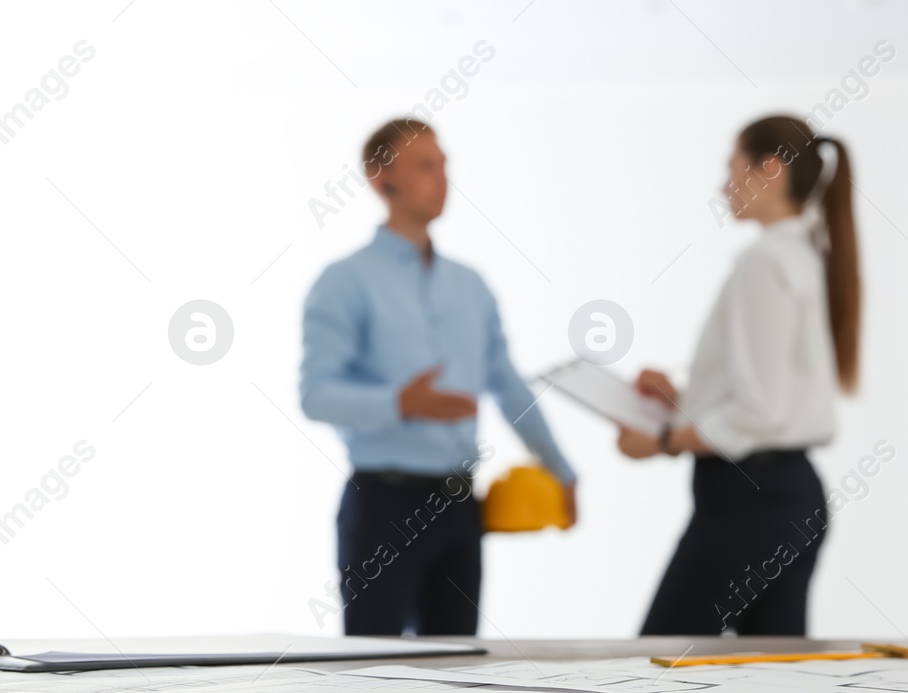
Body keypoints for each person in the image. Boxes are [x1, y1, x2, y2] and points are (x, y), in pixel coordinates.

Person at [301, 118, 577, 637]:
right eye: (425, 166)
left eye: (444, 165)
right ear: (382, 179)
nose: (442, 178)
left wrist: (561, 469)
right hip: (384, 508)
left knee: (456, 674)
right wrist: (399, 403)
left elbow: (509, 385)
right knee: (370, 676)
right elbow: (316, 396)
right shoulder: (344, 282)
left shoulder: (470, 286)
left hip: (458, 510)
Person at [618, 115, 860, 636]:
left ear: (768, 169)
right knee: (768, 683)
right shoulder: (800, 256)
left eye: (732, 169)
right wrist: (681, 399)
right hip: (789, 494)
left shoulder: (764, 262)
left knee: (657, 665)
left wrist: (661, 440)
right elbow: (772, 399)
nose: (723, 186)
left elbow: (759, 411)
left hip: (750, 500)